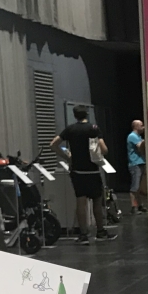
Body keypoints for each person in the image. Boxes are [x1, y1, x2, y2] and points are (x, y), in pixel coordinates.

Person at [50, 105, 117, 245]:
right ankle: (100, 231)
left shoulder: (70, 129)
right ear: (86, 114)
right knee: (97, 202)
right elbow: (104, 149)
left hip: (77, 171)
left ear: (75, 115)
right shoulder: (93, 128)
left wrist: (67, 157)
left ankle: (83, 234)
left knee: (80, 202)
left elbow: (53, 144)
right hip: (92, 170)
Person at [127, 120, 147, 213]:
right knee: (135, 187)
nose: (143, 127)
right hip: (135, 164)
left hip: (140, 162)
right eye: (141, 125)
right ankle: (134, 206)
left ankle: (140, 205)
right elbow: (140, 147)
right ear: (136, 126)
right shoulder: (133, 136)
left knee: (139, 187)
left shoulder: (138, 137)